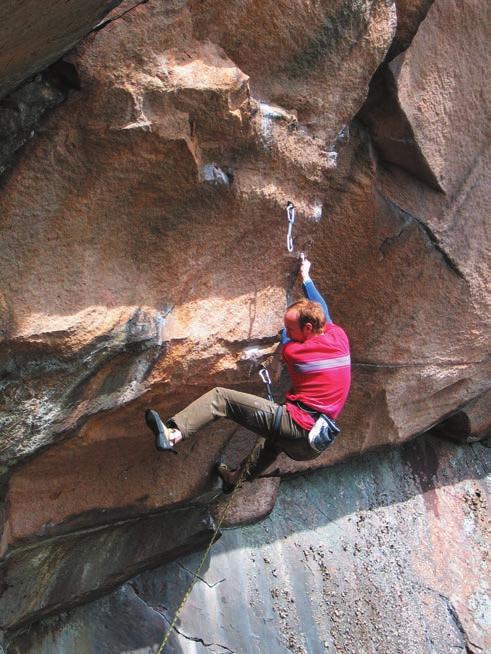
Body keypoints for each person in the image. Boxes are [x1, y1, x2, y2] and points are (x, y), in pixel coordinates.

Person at [145, 256, 351, 492]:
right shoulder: (339, 337)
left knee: (221, 399)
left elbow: (286, 338)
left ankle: (172, 434)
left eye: (291, 328)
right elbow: (322, 310)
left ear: (307, 329)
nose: (287, 331)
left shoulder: (296, 353)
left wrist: (288, 330)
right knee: (273, 443)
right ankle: (234, 480)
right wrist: (306, 277)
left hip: (298, 425)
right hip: (313, 441)